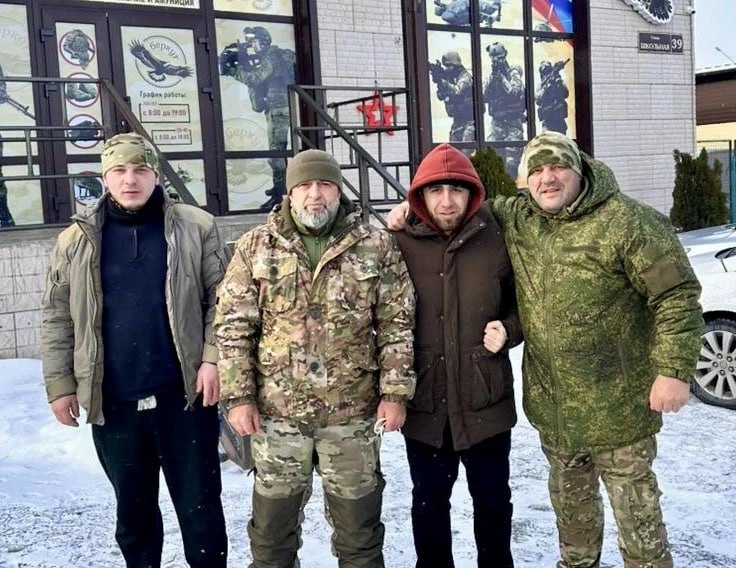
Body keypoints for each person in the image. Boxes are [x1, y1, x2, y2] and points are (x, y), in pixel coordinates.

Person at [388, 131, 704, 568]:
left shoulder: (627, 221)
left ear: (580, 170)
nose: (547, 178)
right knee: (574, 531)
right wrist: (408, 207)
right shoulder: (520, 218)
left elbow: (677, 296)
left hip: (619, 408)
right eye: (536, 170)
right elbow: (460, 205)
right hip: (558, 413)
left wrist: (673, 369)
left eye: (558, 167)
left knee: (639, 527)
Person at [214, 148, 416, 567]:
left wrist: (395, 393)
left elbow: (396, 323)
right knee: (271, 538)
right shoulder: (256, 247)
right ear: (290, 193)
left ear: (339, 190)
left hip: (351, 416)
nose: (315, 195)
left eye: (325, 184)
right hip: (278, 417)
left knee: (360, 537)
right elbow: (234, 327)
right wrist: (239, 398)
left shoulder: (375, 245)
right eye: (305, 185)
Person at [41, 133, 229, 567]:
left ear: (156, 175)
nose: (131, 180)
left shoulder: (196, 227)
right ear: (105, 178)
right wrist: (60, 384)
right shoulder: (75, 240)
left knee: (201, 513)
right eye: (120, 171)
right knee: (134, 518)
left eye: (141, 169)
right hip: (115, 403)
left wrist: (212, 358)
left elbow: (222, 301)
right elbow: (57, 317)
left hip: (184, 399)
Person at [393, 143, 522, 567]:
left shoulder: (498, 237)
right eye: (435, 190)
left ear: (472, 193)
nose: (447, 201)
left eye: (456, 190)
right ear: (420, 196)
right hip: (426, 405)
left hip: (486, 401)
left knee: (493, 502)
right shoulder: (398, 242)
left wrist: (510, 329)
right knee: (429, 504)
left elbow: (526, 303)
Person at [219, 25, 296, 212]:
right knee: (277, 152)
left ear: (263, 42)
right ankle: (279, 189)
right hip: (277, 109)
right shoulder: (271, 57)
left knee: (276, 154)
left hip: (279, 110)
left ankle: (280, 196)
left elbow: (254, 79)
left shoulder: (271, 58)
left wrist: (233, 71)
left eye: (254, 42)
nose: (252, 46)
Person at [483, 42, 526, 178]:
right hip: (497, 123)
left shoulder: (513, 72)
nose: (497, 61)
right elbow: (482, 96)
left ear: (505, 56)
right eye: (494, 59)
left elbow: (514, 92)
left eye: (500, 58)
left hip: (513, 124)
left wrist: (501, 78)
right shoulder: (492, 76)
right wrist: (493, 78)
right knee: (493, 161)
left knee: (511, 165)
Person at [430, 51, 475, 142]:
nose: (447, 69)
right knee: (453, 149)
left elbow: (457, 91)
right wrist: (440, 83)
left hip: (469, 123)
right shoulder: (452, 78)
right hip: (457, 121)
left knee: (466, 149)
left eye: (449, 66)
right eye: (445, 66)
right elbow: (441, 96)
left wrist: (443, 82)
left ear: (456, 65)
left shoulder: (465, 78)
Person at [535, 59, 570, 135]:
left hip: (559, 120)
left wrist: (559, 82)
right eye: (545, 72)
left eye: (548, 71)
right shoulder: (541, 85)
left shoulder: (558, 81)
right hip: (548, 122)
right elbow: (538, 100)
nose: (546, 74)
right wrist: (546, 88)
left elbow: (566, 94)